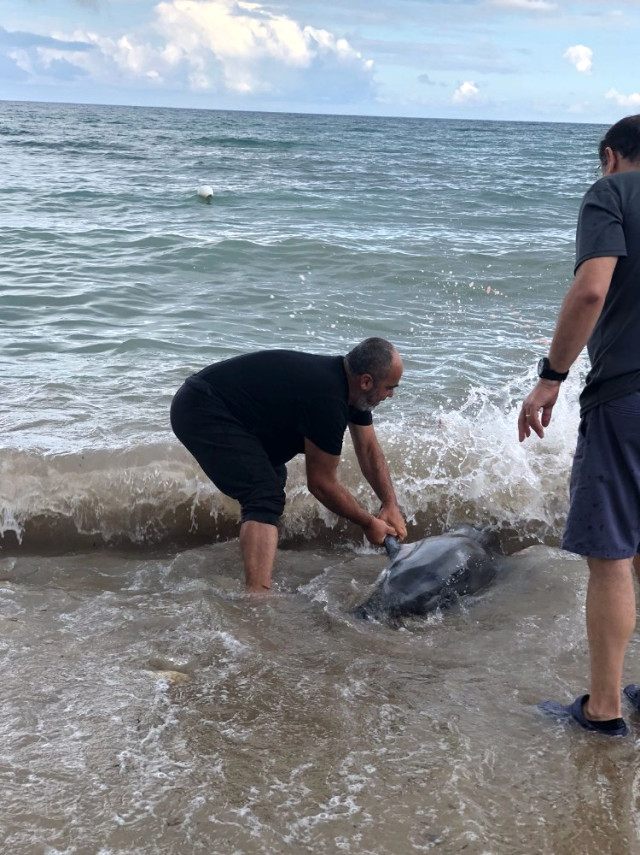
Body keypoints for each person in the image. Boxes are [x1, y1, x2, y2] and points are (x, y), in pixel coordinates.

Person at [518, 114, 640, 737]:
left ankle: (603, 709)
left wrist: (552, 376)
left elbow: (591, 291)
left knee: (613, 555)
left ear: (612, 156)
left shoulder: (612, 193)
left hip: (628, 395)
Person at [171, 337, 407, 592]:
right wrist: (368, 523)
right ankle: (257, 597)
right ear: (367, 381)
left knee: (272, 476)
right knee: (263, 492)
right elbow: (321, 484)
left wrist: (389, 503)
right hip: (201, 407)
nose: (391, 395)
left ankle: (254, 550)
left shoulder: (352, 392)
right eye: (389, 387)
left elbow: (369, 449)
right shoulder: (327, 399)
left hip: (231, 411)